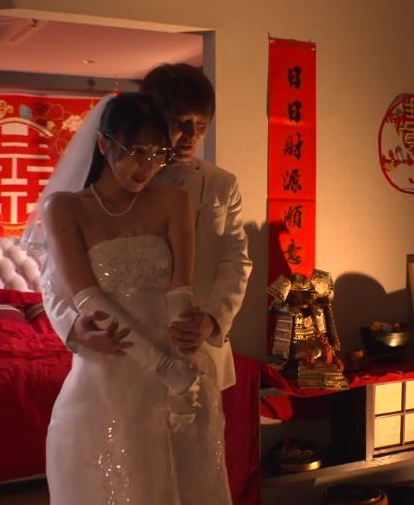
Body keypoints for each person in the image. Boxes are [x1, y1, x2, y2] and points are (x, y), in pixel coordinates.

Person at [23, 92, 234, 504]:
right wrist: (165, 369)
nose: (147, 166)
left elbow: (180, 288)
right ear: (104, 144)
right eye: (137, 152)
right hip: (115, 364)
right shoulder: (64, 208)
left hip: (180, 363)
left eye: (158, 154)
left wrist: (182, 372)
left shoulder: (173, 200)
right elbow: (86, 296)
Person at [44, 63, 251, 393]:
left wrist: (213, 319)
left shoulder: (221, 184)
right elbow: (55, 272)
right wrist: (72, 327)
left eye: (201, 124)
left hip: (195, 346)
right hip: (121, 346)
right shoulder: (113, 181)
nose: (191, 134)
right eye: (179, 121)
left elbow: (235, 261)